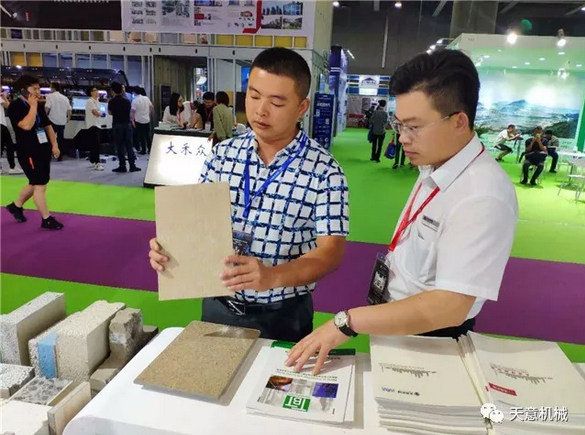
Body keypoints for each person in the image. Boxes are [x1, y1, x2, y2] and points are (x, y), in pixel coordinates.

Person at [285, 50, 518, 375]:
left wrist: (347, 321)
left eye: (415, 127)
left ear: (459, 122)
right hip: (397, 322)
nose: (403, 138)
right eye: (400, 125)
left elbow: (450, 306)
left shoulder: (482, 194)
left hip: (434, 341)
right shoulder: (435, 163)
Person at [148, 47, 349, 342]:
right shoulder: (222, 155)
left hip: (282, 313)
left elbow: (330, 253)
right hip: (218, 304)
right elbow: (197, 223)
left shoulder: (325, 171)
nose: (260, 111)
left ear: (302, 107)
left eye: (277, 102)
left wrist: (273, 276)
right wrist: (171, 248)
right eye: (254, 96)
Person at [5, 74, 64, 230]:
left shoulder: (39, 105)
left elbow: (48, 126)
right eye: (35, 88)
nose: (38, 91)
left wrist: (55, 145)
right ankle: (46, 219)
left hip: (42, 148)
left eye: (39, 88)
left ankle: (16, 206)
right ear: (24, 90)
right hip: (28, 152)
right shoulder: (16, 106)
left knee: (37, 181)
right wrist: (32, 107)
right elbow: (26, 125)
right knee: (40, 185)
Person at [108, 82, 140, 173]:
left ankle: (122, 166)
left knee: (120, 146)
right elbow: (130, 112)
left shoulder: (111, 101)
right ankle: (132, 165)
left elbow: (110, 112)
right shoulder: (127, 101)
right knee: (129, 145)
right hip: (127, 124)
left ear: (113, 91)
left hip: (117, 125)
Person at [45, 82, 71, 161]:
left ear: (53, 88)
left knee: (50, 138)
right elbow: (69, 110)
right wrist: (68, 118)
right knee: (60, 139)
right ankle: (59, 157)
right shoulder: (65, 98)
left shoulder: (49, 96)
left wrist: (44, 117)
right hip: (62, 121)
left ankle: (48, 155)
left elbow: (47, 107)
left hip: (52, 120)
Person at [1, 92, 23, 174]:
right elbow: (9, 107)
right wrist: (5, 97)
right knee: (9, 145)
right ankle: (12, 167)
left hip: (2, 124)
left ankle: (9, 167)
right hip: (2, 124)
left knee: (3, 146)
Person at [84, 86, 104, 171]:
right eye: (95, 91)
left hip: (97, 124)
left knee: (95, 144)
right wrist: (101, 114)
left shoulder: (97, 101)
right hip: (93, 125)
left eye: (97, 90)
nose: (97, 92)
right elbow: (95, 112)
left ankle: (93, 161)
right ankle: (97, 163)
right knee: (96, 145)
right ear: (91, 93)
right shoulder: (90, 101)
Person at [131, 87, 153, 155]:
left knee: (141, 136)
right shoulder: (146, 98)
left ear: (135, 92)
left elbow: (133, 112)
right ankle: (150, 149)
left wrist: (132, 120)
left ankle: (143, 150)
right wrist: (148, 114)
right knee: (147, 135)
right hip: (146, 119)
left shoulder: (134, 101)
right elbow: (151, 106)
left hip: (139, 120)